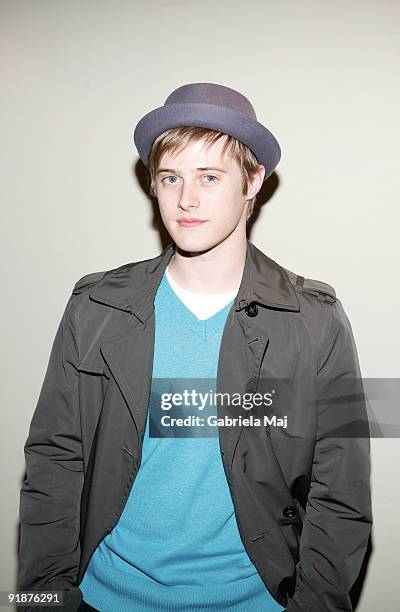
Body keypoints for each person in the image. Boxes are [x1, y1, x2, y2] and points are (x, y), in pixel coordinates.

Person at [17, 83, 372, 612]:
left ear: (253, 181)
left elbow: (340, 491)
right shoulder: (95, 308)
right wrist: (40, 601)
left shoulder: (315, 321)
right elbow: (53, 462)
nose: (186, 199)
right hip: (101, 598)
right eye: (170, 178)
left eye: (209, 176)